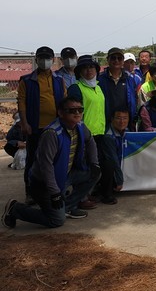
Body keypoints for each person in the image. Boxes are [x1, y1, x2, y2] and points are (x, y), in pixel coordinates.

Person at [2, 97, 101, 228]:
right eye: (72, 110)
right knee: (56, 221)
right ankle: (15, 209)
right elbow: (45, 166)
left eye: (80, 110)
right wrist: (54, 193)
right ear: (60, 113)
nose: (77, 113)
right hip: (43, 184)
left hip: (64, 175)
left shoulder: (80, 126)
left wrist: (94, 163)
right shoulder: (52, 133)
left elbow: (90, 141)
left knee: (95, 173)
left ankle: (68, 207)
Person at [18, 46, 66, 200]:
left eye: (48, 58)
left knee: (54, 159)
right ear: (36, 60)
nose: (45, 61)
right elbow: (22, 103)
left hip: (55, 128)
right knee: (33, 159)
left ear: (53, 60)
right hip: (35, 127)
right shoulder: (26, 80)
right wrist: (24, 123)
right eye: (41, 58)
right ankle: (30, 192)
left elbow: (64, 101)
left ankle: (51, 190)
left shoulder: (59, 80)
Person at [98, 47, 138, 131]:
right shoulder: (100, 80)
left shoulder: (129, 79)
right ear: (108, 60)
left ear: (123, 61)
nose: (116, 60)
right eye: (113, 58)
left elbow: (134, 100)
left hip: (125, 123)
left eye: (119, 58)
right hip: (106, 123)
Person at [67, 55, 106, 141]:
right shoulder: (76, 88)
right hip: (84, 136)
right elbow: (72, 115)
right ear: (79, 71)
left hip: (100, 133)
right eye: (85, 67)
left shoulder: (98, 87)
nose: (89, 70)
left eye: (91, 67)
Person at [97, 109, 129, 204]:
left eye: (125, 118)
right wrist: (119, 180)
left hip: (120, 162)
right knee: (109, 164)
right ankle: (105, 194)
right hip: (104, 166)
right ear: (112, 119)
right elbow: (113, 158)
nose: (122, 121)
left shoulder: (128, 131)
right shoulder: (108, 136)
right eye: (118, 118)